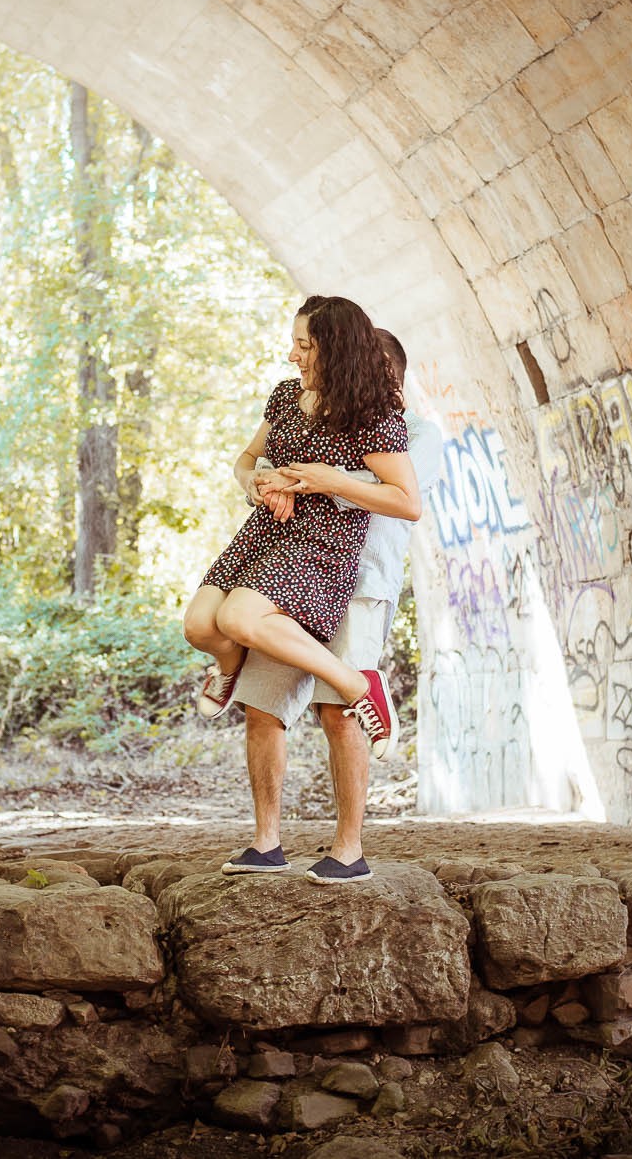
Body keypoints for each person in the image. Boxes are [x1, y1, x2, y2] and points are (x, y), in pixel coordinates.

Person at [182, 296, 419, 851]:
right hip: (265, 534)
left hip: (322, 547)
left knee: (243, 618)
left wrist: (324, 479)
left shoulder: (374, 414)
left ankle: (356, 687)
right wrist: (260, 483)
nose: (291, 354)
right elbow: (247, 460)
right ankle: (232, 673)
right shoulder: (287, 395)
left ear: (334, 349)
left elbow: (407, 502)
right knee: (201, 626)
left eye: (304, 345)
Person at [218, 328, 442, 884]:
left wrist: (319, 481)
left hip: (363, 582)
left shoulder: (418, 433)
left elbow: (397, 497)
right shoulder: (324, 418)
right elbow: (262, 461)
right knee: (263, 704)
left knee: (338, 713)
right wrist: (268, 482)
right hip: (297, 572)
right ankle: (266, 842)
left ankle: (349, 850)